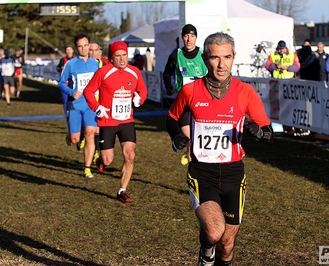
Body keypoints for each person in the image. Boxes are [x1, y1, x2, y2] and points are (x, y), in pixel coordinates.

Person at [166, 32, 273, 265]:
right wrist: (176, 136)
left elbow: (267, 130)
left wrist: (258, 132)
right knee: (214, 232)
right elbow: (172, 117)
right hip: (202, 172)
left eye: (227, 57)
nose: (221, 64)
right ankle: (205, 253)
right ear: (205, 59)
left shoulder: (245, 92)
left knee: (227, 245)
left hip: (234, 173)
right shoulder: (191, 90)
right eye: (215, 58)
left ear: (234, 57)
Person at [83, 41, 148, 203]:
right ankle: (99, 160)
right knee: (107, 160)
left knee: (130, 155)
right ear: (111, 57)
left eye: (124, 55)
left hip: (127, 120)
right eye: (117, 56)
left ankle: (122, 190)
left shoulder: (134, 71)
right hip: (107, 121)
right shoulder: (103, 72)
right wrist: (97, 107)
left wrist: (141, 98)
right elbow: (88, 91)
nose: (121, 59)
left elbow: (143, 89)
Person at [163, 24, 208, 165]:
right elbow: (166, 72)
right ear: (182, 37)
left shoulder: (203, 55)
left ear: (196, 37)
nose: (189, 39)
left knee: (200, 139)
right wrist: (169, 86)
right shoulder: (176, 55)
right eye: (186, 36)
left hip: (202, 103)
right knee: (191, 138)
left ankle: (191, 153)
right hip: (183, 103)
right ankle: (191, 180)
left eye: (192, 36)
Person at [58, 33, 99, 179]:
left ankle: (87, 168)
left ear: (89, 45)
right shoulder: (71, 64)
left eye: (85, 45)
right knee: (75, 139)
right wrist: (71, 91)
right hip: (75, 105)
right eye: (80, 46)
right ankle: (71, 136)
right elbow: (60, 83)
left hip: (90, 105)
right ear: (76, 48)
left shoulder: (96, 63)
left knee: (90, 133)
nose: (83, 49)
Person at [57, 45, 75, 116]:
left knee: (73, 101)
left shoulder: (76, 59)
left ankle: (73, 114)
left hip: (74, 84)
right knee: (65, 100)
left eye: (70, 50)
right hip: (65, 84)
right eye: (67, 50)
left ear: (73, 50)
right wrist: (62, 70)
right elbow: (58, 68)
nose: (69, 51)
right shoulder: (63, 60)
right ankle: (67, 115)